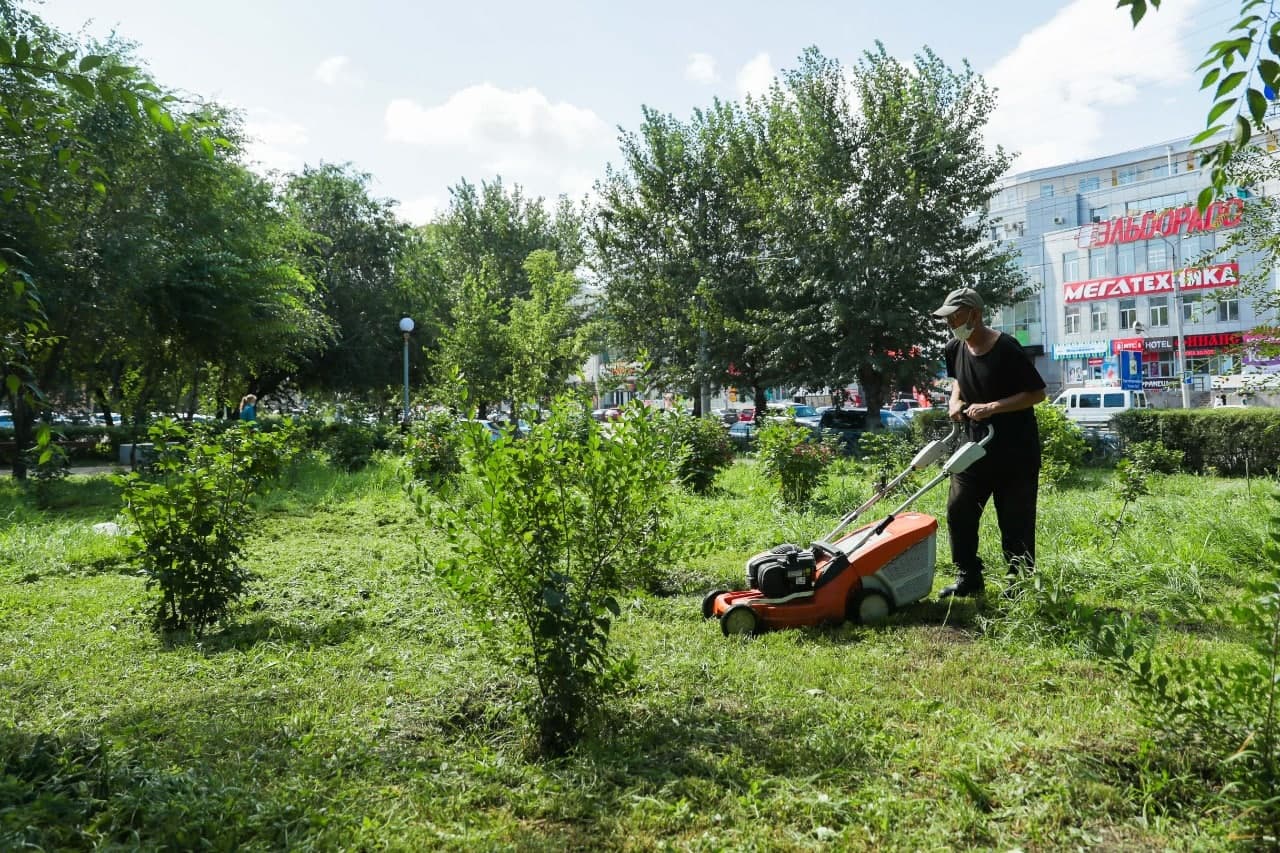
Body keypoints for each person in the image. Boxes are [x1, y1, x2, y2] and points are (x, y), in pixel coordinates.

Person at [932, 287, 1047, 598]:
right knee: (959, 511)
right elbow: (958, 382)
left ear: (974, 314)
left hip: (1015, 452)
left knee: (1015, 521)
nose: (950, 323)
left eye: (955, 316)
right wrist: (955, 402)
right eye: (948, 318)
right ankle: (969, 576)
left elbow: (1037, 393)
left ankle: (1019, 581)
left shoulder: (1007, 348)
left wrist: (993, 407)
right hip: (972, 448)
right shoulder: (954, 348)